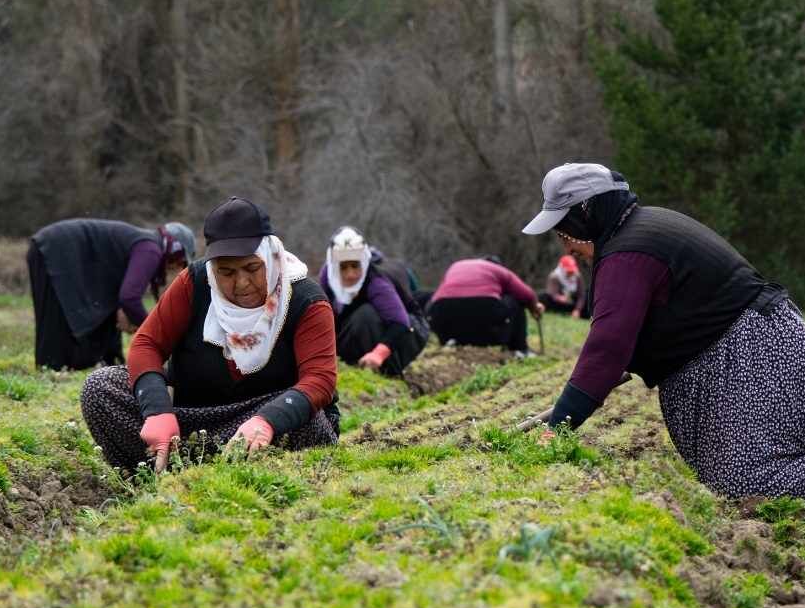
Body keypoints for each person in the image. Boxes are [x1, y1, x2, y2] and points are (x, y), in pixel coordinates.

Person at [521, 162, 805, 515]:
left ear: (587, 214)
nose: (567, 248)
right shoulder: (639, 233)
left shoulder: (628, 253)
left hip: (757, 350)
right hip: (759, 343)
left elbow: (607, 349)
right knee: (742, 474)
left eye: (566, 233)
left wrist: (558, 427)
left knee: (743, 479)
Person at [79, 197, 340, 471]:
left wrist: (268, 420)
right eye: (226, 272)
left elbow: (320, 380)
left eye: (252, 268)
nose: (241, 283)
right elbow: (147, 344)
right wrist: (156, 410)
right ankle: (159, 471)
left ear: (270, 257)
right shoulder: (195, 283)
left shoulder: (305, 301)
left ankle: (210, 472)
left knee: (308, 422)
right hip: (191, 419)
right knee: (100, 388)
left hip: (263, 420)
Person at [27, 219, 196, 370]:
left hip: (58, 248)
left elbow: (124, 297)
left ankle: (103, 362)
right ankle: (50, 367)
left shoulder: (146, 244)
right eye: (180, 260)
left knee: (99, 310)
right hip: (53, 248)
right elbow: (129, 298)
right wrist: (151, 331)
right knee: (54, 314)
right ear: (174, 249)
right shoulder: (150, 249)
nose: (177, 266)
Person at [319, 226, 429, 376]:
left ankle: (385, 371)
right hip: (357, 328)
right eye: (343, 267)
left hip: (409, 329)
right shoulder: (328, 278)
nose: (350, 274)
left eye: (355, 266)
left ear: (363, 262)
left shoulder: (376, 282)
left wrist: (378, 354)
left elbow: (400, 323)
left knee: (366, 315)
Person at [427, 256, 544, 355]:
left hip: (441, 310)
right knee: (514, 300)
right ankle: (519, 348)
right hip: (484, 311)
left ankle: (452, 340)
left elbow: (436, 296)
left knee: (447, 309)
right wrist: (534, 308)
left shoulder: (456, 265)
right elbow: (527, 294)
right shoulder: (498, 269)